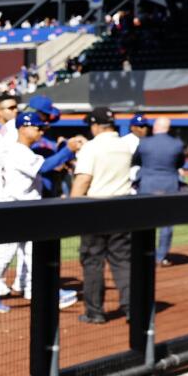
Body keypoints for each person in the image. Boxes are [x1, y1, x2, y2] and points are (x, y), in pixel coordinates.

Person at [0, 113, 79, 313]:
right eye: (37, 128)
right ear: (23, 128)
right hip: (14, 208)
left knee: (32, 253)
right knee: (4, 252)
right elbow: (46, 166)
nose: (41, 131)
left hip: (25, 208)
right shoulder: (17, 151)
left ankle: (36, 289)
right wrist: (69, 150)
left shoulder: (23, 150)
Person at [72, 107, 137, 324]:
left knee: (92, 261)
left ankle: (95, 311)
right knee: (122, 260)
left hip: (96, 208)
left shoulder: (92, 147)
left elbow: (82, 180)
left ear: (96, 125)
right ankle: (131, 307)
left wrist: (70, 208)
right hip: (122, 207)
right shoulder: (125, 145)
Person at [135, 115, 185, 266]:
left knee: (144, 221)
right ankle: (160, 256)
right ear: (168, 128)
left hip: (147, 183)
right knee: (167, 223)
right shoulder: (177, 144)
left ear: (155, 127)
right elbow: (179, 163)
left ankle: (143, 253)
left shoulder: (144, 143)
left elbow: (136, 160)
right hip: (169, 184)